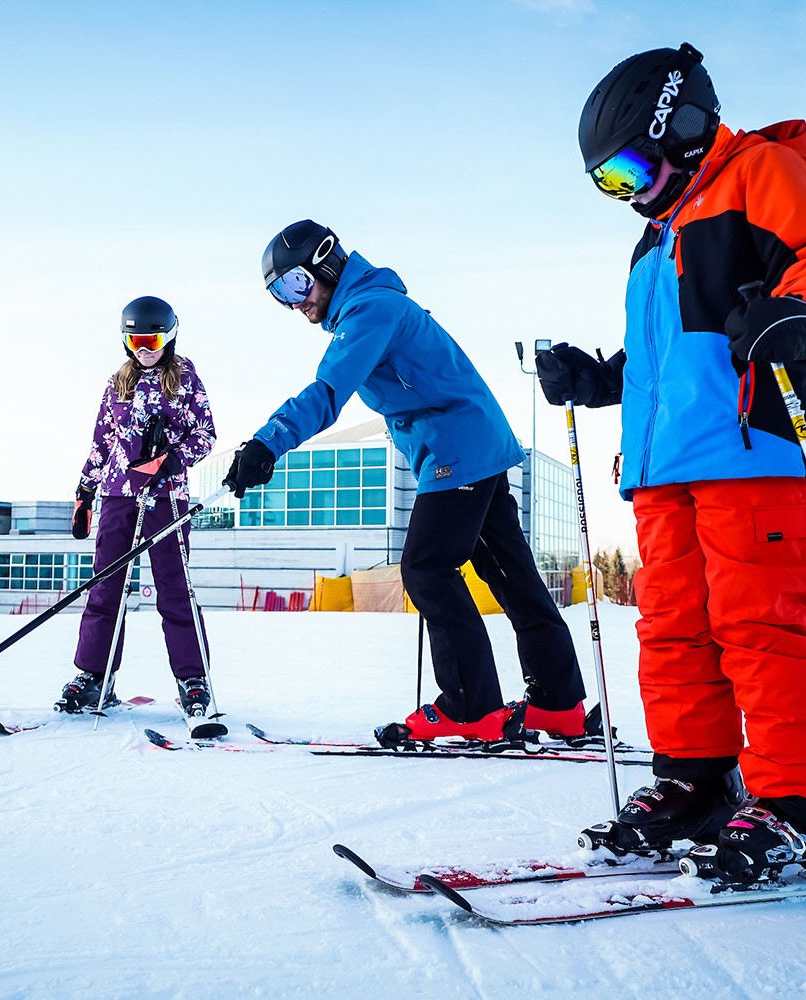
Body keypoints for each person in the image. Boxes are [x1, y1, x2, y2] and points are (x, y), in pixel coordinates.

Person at [539, 42, 806, 882]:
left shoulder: (760, 172)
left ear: (683, 128)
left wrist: (792, 312)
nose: (627, 196)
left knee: (759, 625)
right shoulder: (657, 235)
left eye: (629, 171)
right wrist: (603, 379)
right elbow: (669, 353)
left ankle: (795, 797)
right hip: (664, 471)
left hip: (749, 452)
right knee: (674, 628)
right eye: (608, 185)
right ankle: (694, 779)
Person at [225, 220, 589, 743]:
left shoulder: (370, 309)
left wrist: (267, 443)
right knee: (510, 574)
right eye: (280, 295)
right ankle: (557, 704)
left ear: (327, 263)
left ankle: (471, 709)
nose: (293, 304)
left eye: (297, 285)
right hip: (474, 445)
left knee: (426, 568)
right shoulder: (376, 305)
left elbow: (328, 391)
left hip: (456, 451)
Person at [57, 296, 219, 722]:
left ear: (169, 336)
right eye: (135, 340)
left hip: (166, 496)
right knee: (105, 586)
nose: (144, 348)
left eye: (152, 338)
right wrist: (85, 491)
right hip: (117, 494)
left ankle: (193, 680)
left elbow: (206, 433)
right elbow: (101, 440)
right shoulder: (117, 382)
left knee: (174, 587)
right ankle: (94, 676)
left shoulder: (183, 377)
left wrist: (170, 460)